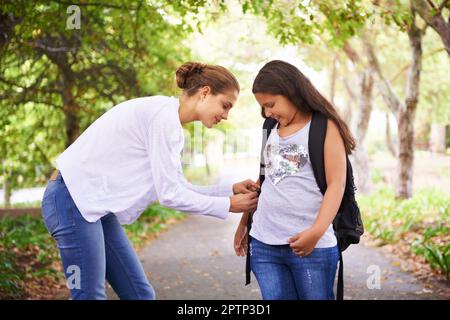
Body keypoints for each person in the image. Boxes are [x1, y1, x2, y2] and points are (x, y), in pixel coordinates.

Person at [41, 61, 259, 300]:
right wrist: (229, 205)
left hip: (94, 207)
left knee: (140, 295)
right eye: (225, 105)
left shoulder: (171, 124)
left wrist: (229, 190)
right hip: (70, 200)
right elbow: (170, 196)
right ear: (205, 92)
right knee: (90, 296)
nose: (226, 116)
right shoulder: (162, 117)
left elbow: (177, 187)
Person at [233, 60, 356, 300]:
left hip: (311, 246)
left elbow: (336, 184)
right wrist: (244, 223)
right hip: (264, 244)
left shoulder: (323, 127)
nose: (268, 113)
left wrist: (316, 232)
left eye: (271, 104)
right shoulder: (270, 127)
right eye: (264, 108)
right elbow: (267, 180)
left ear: (291, 92)